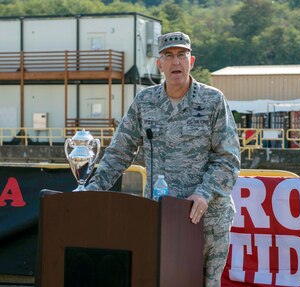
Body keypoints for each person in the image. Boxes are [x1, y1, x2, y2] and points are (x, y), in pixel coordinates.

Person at [85, 31, 241, 287]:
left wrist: (204, 193)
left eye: (182, 55)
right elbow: (119, 153)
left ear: (192, 62)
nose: (175, 62)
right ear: (160, 64)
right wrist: (91, 190)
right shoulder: (145, 102)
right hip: (160, 219)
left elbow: (229, 159)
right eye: (168, 56)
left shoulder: (213, 101)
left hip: (206, 220)